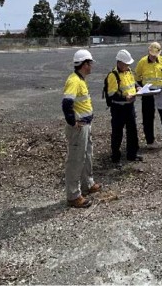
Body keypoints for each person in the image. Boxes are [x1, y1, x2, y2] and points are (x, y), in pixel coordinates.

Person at [61, 49, 101, 208]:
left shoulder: (80, 80)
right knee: (76, 160)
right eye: (90, 63)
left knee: (87, 155)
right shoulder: (74, 81)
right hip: (79, 127)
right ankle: (73, 195)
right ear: (84, 64)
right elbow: (66, 103)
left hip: (85, 125)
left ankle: (87, 184)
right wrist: (72, 122)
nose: (91, 66)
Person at [135, 42, 162, 152]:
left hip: (161, 91)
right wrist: (139, 87)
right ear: (148, 52)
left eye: (155, 55)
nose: (153, 57)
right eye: (151, 54)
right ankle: (150, 142)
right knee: (148, 117)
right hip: (148, 92)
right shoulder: (142, 62)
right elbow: (136, 78)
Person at [107, 49, 143, 167]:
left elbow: (133, 83)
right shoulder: (113, 75)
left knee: (132, 130)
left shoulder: (128, 72)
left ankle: (132, 154)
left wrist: (138, 88)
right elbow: (112, 94)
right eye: (126, 64)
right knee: (117, 132)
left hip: (129, 107)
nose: (128, 66)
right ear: (119, 63)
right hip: (118, 109)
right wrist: (125, 98)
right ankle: (115, 157)